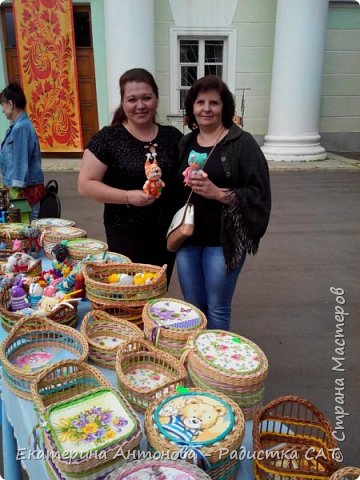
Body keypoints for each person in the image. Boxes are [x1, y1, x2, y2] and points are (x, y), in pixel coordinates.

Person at [175, 75, 271, 330]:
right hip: (188, 238)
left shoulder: (242, 143)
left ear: (224, 108)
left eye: (214, 103)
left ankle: (214, 367)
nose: (206, 108)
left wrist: (218, 193)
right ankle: (197, 362)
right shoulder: (186, 143)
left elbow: (259, 193)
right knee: (193, 308)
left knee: (217, 308)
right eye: (200, 102)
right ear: (192, 108)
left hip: (222, 242)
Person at [78, 68, 182, 283]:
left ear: (156, 99)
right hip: (125, 234)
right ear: (123, 103)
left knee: (157, 290)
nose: (140, 105)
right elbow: (86, 184)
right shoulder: (108, 139)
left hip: (166, 234)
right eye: (132, 99)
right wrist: (128, 197)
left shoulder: (172, 137)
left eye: (146, 98)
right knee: (129, 291)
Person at [0, 82, 45, 220]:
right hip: (18, 190)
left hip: (21, 192)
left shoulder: (21, 128)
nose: (2, 110)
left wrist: (16, 194)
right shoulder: (17, 127)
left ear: (11, 104)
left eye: (3, 105)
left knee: (24, 229)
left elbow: (20, 163)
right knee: (21, 228)